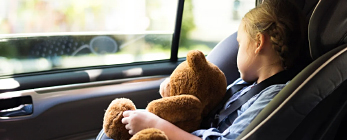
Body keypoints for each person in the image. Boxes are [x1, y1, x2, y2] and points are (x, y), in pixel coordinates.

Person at [121, 0, 309, 139]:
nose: (237, 51)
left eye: (240, 44)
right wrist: (176, 90)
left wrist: (156, 125)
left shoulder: (274, 96)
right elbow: (207, 104)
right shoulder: (245, 84)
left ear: (259, 42)